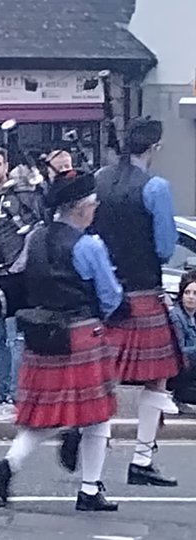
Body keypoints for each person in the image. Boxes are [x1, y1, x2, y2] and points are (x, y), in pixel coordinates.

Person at [0, 171, 122, 512]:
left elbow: (19, 274)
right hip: (81, 333)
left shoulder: (35, 237)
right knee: (99, 415)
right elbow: (109, 296)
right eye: (93, 205)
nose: (95, 210)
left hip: (40, 332)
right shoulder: (88, 245)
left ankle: (10, 462)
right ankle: (90, 489)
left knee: (42, 414)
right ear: (80, 208)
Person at [92, 118, 182, 487]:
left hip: (105, 291)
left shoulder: (99, 178)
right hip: (143, 291)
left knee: (100, 378)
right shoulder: (156, 187)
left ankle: (86, 439)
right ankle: (142, 458)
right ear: (154, 147)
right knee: (157, 379)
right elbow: (164, 247)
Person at [0, 146, 48, 422]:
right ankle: (3, 394)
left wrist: (21, 264)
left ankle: (17, 396)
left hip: (16, 278)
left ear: (6, 165)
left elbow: (38, 228)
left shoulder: (22, 194)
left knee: (16, 339)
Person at [167, 272, 196, 411]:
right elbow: (179, 350)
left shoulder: (194, 316)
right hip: (179, 367)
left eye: (195, 293)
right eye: (187, 292)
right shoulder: (176, 316)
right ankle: (178, 396)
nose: (190, 297)